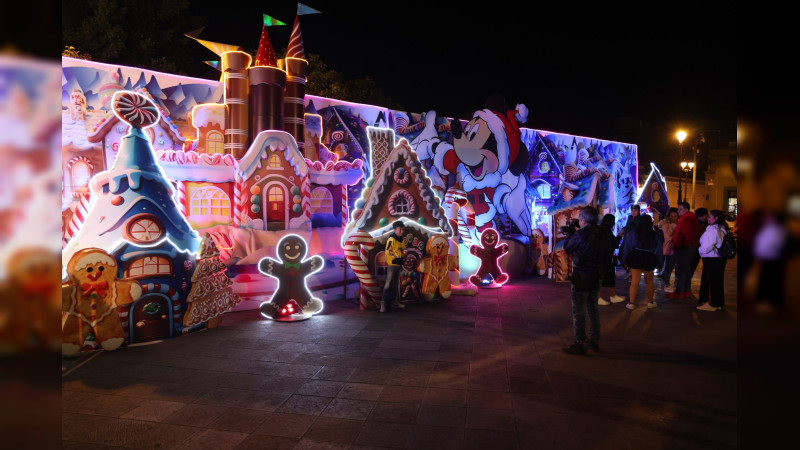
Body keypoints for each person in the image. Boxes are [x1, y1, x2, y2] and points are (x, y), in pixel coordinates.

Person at [562, 206, 610, 355]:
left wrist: (570, 234)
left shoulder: (581, 234)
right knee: (593, 309)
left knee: (579, 312)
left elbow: (568, 249)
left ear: (583, 220)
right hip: (597, 276)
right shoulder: (604, 233)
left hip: (582, 276)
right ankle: (594, 340)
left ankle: (579, 343)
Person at [625, 213, 659, 310]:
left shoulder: (634, 232)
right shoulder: (654, 234)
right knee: (649, 281)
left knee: (635, 281)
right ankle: (650, 302)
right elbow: (658, 248)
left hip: (636, 256)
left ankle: (631, 303)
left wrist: (625, 259)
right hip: (649, 257)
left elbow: (628, 246)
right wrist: (659, 261)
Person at [697, 210, 729, 311]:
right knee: (717, 281)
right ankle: (717, 303)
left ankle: (712, 304)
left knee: (711, 282)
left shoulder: (712, 229)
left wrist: (700, 250)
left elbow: (707, 247)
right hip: (720, 258)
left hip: (711, 258)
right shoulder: (722, 228)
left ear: (716, 218)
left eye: (710, 217)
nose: (708, 218)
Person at [668, 202, 700, 299]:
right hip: (688, 247)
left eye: (680, 209)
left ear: (686, 209)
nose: (678, 211)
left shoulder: (686, 218)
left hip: (684, 248)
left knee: (682, 271)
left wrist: (680, 244)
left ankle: (679, 292)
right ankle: (686, 290)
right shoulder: (690, 218)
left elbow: (686, 233)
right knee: (686, 270)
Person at [597, 213, 625, 305]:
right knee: (603, 278)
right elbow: (612, 244)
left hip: (603, 259)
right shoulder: (605, 232)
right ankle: (600, 298)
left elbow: (613, 243)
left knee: (609, 278)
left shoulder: (603, 230)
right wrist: (619, 236)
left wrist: (620, 235)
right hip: (604, 259)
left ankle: (612, 296)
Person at [380, 221, 406, 312]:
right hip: (392, 265)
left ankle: (394, 302)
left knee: (396, 284)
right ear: (395, 230)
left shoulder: (402, 239)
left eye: (403, 229)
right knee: (388, 284)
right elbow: (387, 251)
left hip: (399, 264)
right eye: (400, 229)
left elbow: (402, 249)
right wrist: (396, 256)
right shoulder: (391, 239)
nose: (402, 231)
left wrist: (403, 254)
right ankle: (383, 304)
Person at [619, 204, 641, 280]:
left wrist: (630, 232)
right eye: (632, 210)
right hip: (626, 240)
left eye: (635, 210)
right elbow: (628, 226)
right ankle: (629, 271)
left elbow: (637, 229)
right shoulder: (630, 217)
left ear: (638, 211)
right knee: (622, 255)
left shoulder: (640, 219)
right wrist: (624, 228)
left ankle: (632, 274)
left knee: (631, 256)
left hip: (634, 241)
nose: (633, 212)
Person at [659, 208, 679, 292]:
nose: (673, 218)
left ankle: (677, 285)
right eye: (671, 216)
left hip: (679, 247)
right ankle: (666, 284)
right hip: (669, 248)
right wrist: (674, 226)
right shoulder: (666, 224)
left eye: (675, 216)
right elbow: (667, 236)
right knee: (668, 266)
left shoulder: (679, 223)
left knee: (677, 267)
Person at [689, 208, 709, 283]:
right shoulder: (694, 223)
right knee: (691, 266)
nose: (705, 217)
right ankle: (687, 284)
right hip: (694, 248)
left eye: (706, 216)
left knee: (693, 266)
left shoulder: (707, 223)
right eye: (703, 216)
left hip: (702, 248)